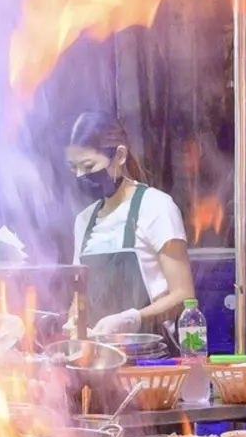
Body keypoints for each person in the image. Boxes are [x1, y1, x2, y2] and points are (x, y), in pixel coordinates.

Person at [65, 111, 196, 338]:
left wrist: (132, 319)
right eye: (73, 168)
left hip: (153, 360)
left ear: (120, 156)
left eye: (88, 166)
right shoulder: (83, 221)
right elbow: (79, 298)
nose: (80, 176)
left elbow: (184, 296)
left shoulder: (156, 207)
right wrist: (73, 320)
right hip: (99, 359)